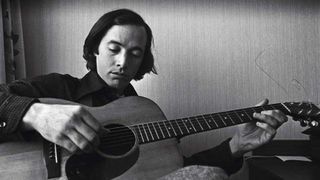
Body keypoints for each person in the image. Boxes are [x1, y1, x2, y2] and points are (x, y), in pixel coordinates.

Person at [0, 9, 287, 178]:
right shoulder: (59, 88)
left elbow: (174, 170)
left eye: (135, 53)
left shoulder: (144, 112)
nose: (123, 62)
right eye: (114, 49)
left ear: (142, 61)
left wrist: (236, 146)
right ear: (95, 48)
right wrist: (35, 113)